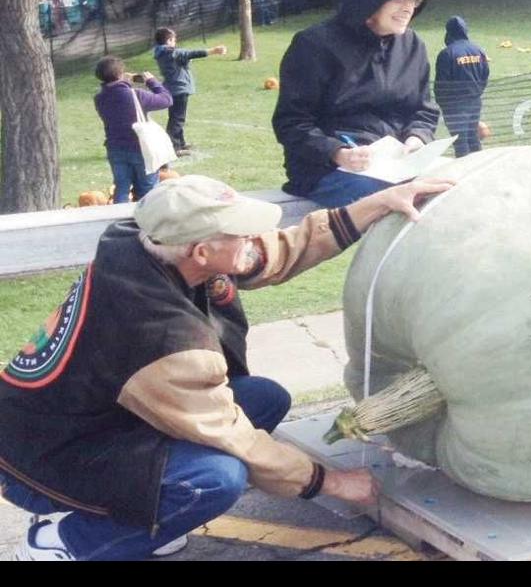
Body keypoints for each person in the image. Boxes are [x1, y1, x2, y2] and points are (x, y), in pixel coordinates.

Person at [0, 174, 454, 561]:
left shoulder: (152, 244)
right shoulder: (159, 336)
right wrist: (329, 481)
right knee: (215, 481)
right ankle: (63, 542)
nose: (252, 241)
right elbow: (231, 434)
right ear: (200, 252)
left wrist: (382, 200)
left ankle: (137, 511)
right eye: (239, 234)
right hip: (40, 460)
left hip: (95, 419)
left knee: (264, 398)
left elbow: (287, 248)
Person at [273, 0, 440, 207]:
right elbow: (292, 122)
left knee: (453, 186)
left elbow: (423, 110)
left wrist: (417, 139)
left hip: (398, 163)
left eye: (414, 0)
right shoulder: (313, 45)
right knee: (403, 200)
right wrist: (338, 152)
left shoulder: (412, 45)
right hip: (327, 169)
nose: (408, 8)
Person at [92, 56, 173, 203]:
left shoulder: (99, 98)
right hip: (140, 148)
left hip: (115, 148)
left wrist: (123, 82)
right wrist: (152, 82)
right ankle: (145, 221)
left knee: (121, 188)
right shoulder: (136, 94)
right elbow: (166, 100)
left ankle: (118, 219)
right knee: (147, 190)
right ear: (119, 74)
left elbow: (117, 98)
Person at [152, 27, 227, 156]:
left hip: (173, 88)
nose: (175, 43)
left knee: (176, 117)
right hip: (179, 89)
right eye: (174, 40)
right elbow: (190, 53)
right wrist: (213, 51)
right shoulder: (171, 52)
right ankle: (174, 147)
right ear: (169, 40)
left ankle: (180, 142)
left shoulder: (163, 53)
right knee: (177, 119)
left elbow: (181, 59)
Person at [434, 16, 490, 158]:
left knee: (460, 142)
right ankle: (480, 167)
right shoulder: (478, 50)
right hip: (475, 102)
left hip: (454, 106)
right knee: (473, 137)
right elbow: (485, 75)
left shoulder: (447, 54)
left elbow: (441, 84)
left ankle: (463, 173)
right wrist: (477, 92)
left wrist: (443, 104)